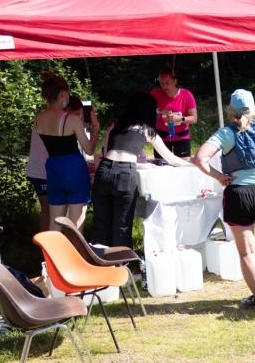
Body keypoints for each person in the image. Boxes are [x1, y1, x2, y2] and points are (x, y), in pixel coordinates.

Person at [194, 89, 255, 310]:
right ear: (253, 108)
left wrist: (219, 177)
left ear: (230, 110)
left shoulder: (225, 133)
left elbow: (200, 158)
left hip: (238, 194)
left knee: (247, 252)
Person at [90, 92, 190, 248]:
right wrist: (192, 165)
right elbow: (171, 159)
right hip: (125, 174)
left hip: (104, 170)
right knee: (122, 226)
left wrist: (138, 164)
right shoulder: (146, 130)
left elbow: (107, 151)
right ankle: (122, 260)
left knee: (100, 223)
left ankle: (97, 258)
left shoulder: (116, 124)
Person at [34, 71, 98, 230]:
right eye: (67, 94)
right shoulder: (72, 119)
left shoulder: (38, 118)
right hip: (73, 168)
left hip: (53, 168)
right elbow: (89, 150)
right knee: (76, 224)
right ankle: (74, 247)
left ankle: (52, 247)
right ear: (62, 94)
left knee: (54, 223)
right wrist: (96, 128)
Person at [150, 68, 198, 159]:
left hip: (181, 137)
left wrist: (180, 119)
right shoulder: (155, 94)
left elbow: (194, 119)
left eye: (167, 83)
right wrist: (158, 112)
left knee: (183, 165)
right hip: (161, 137)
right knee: (161, 165)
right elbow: (145, 111)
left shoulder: (186, 95)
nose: (164, 86)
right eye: (161, 83)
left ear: (175, 81)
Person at [27, 124, 50, 233]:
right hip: (43, 171)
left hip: (43, 170)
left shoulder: (40, 117)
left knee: (49, 210)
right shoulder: (53, 118)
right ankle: (45, 242)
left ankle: (50, 241)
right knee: (49, 210)